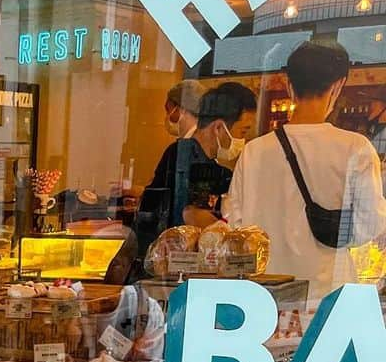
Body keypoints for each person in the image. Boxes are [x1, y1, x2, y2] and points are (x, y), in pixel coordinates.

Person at [224, 41, 386, 302]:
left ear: (289, 86)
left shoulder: (253, 151)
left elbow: (236, 225)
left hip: (266, 296)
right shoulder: (355, 148)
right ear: (338, 86)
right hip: (329, 297)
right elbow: (370, 226)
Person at [137, 82, 258, 246]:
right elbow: (190, 214)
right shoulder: (183, 159)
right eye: (242, 131)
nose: (242, 139)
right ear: (218, 127)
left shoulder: (215, 169)